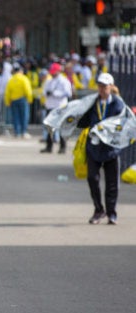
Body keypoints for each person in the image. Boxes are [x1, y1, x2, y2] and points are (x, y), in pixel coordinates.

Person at [76, 73, 126, 225]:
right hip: (94, 147)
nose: (102, 89)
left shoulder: (118, 104)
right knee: (92, 178)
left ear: (111, 86)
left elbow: (120, 124)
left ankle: (112, 213)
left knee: (112, 183)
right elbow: (83, 122)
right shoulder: (92, 103)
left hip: (111, 149)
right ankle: (99, 210)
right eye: (100, 86)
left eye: (105, 86)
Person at [41, 63, 72, 154]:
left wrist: (55, 93)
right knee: (49, 127)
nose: (52, 73)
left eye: (54, 72)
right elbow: (43, 91)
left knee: (62, 127)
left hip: (60, 106)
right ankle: (49, 147)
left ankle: (63, 147)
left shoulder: (64, 81)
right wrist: (47, 93)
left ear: (58, 71)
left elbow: (68, 93)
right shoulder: (49, 81)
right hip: (50, 106)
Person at [4, 63, 33, 139]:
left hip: (13, 100)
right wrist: (30, 99)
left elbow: (7, 92)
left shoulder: (11, 80)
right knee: (24, 116)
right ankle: (24, 132)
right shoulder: (24, 78)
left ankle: (17, 132)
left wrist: (7, 102)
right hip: (22, 99)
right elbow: (28, 90)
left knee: (15, 117)